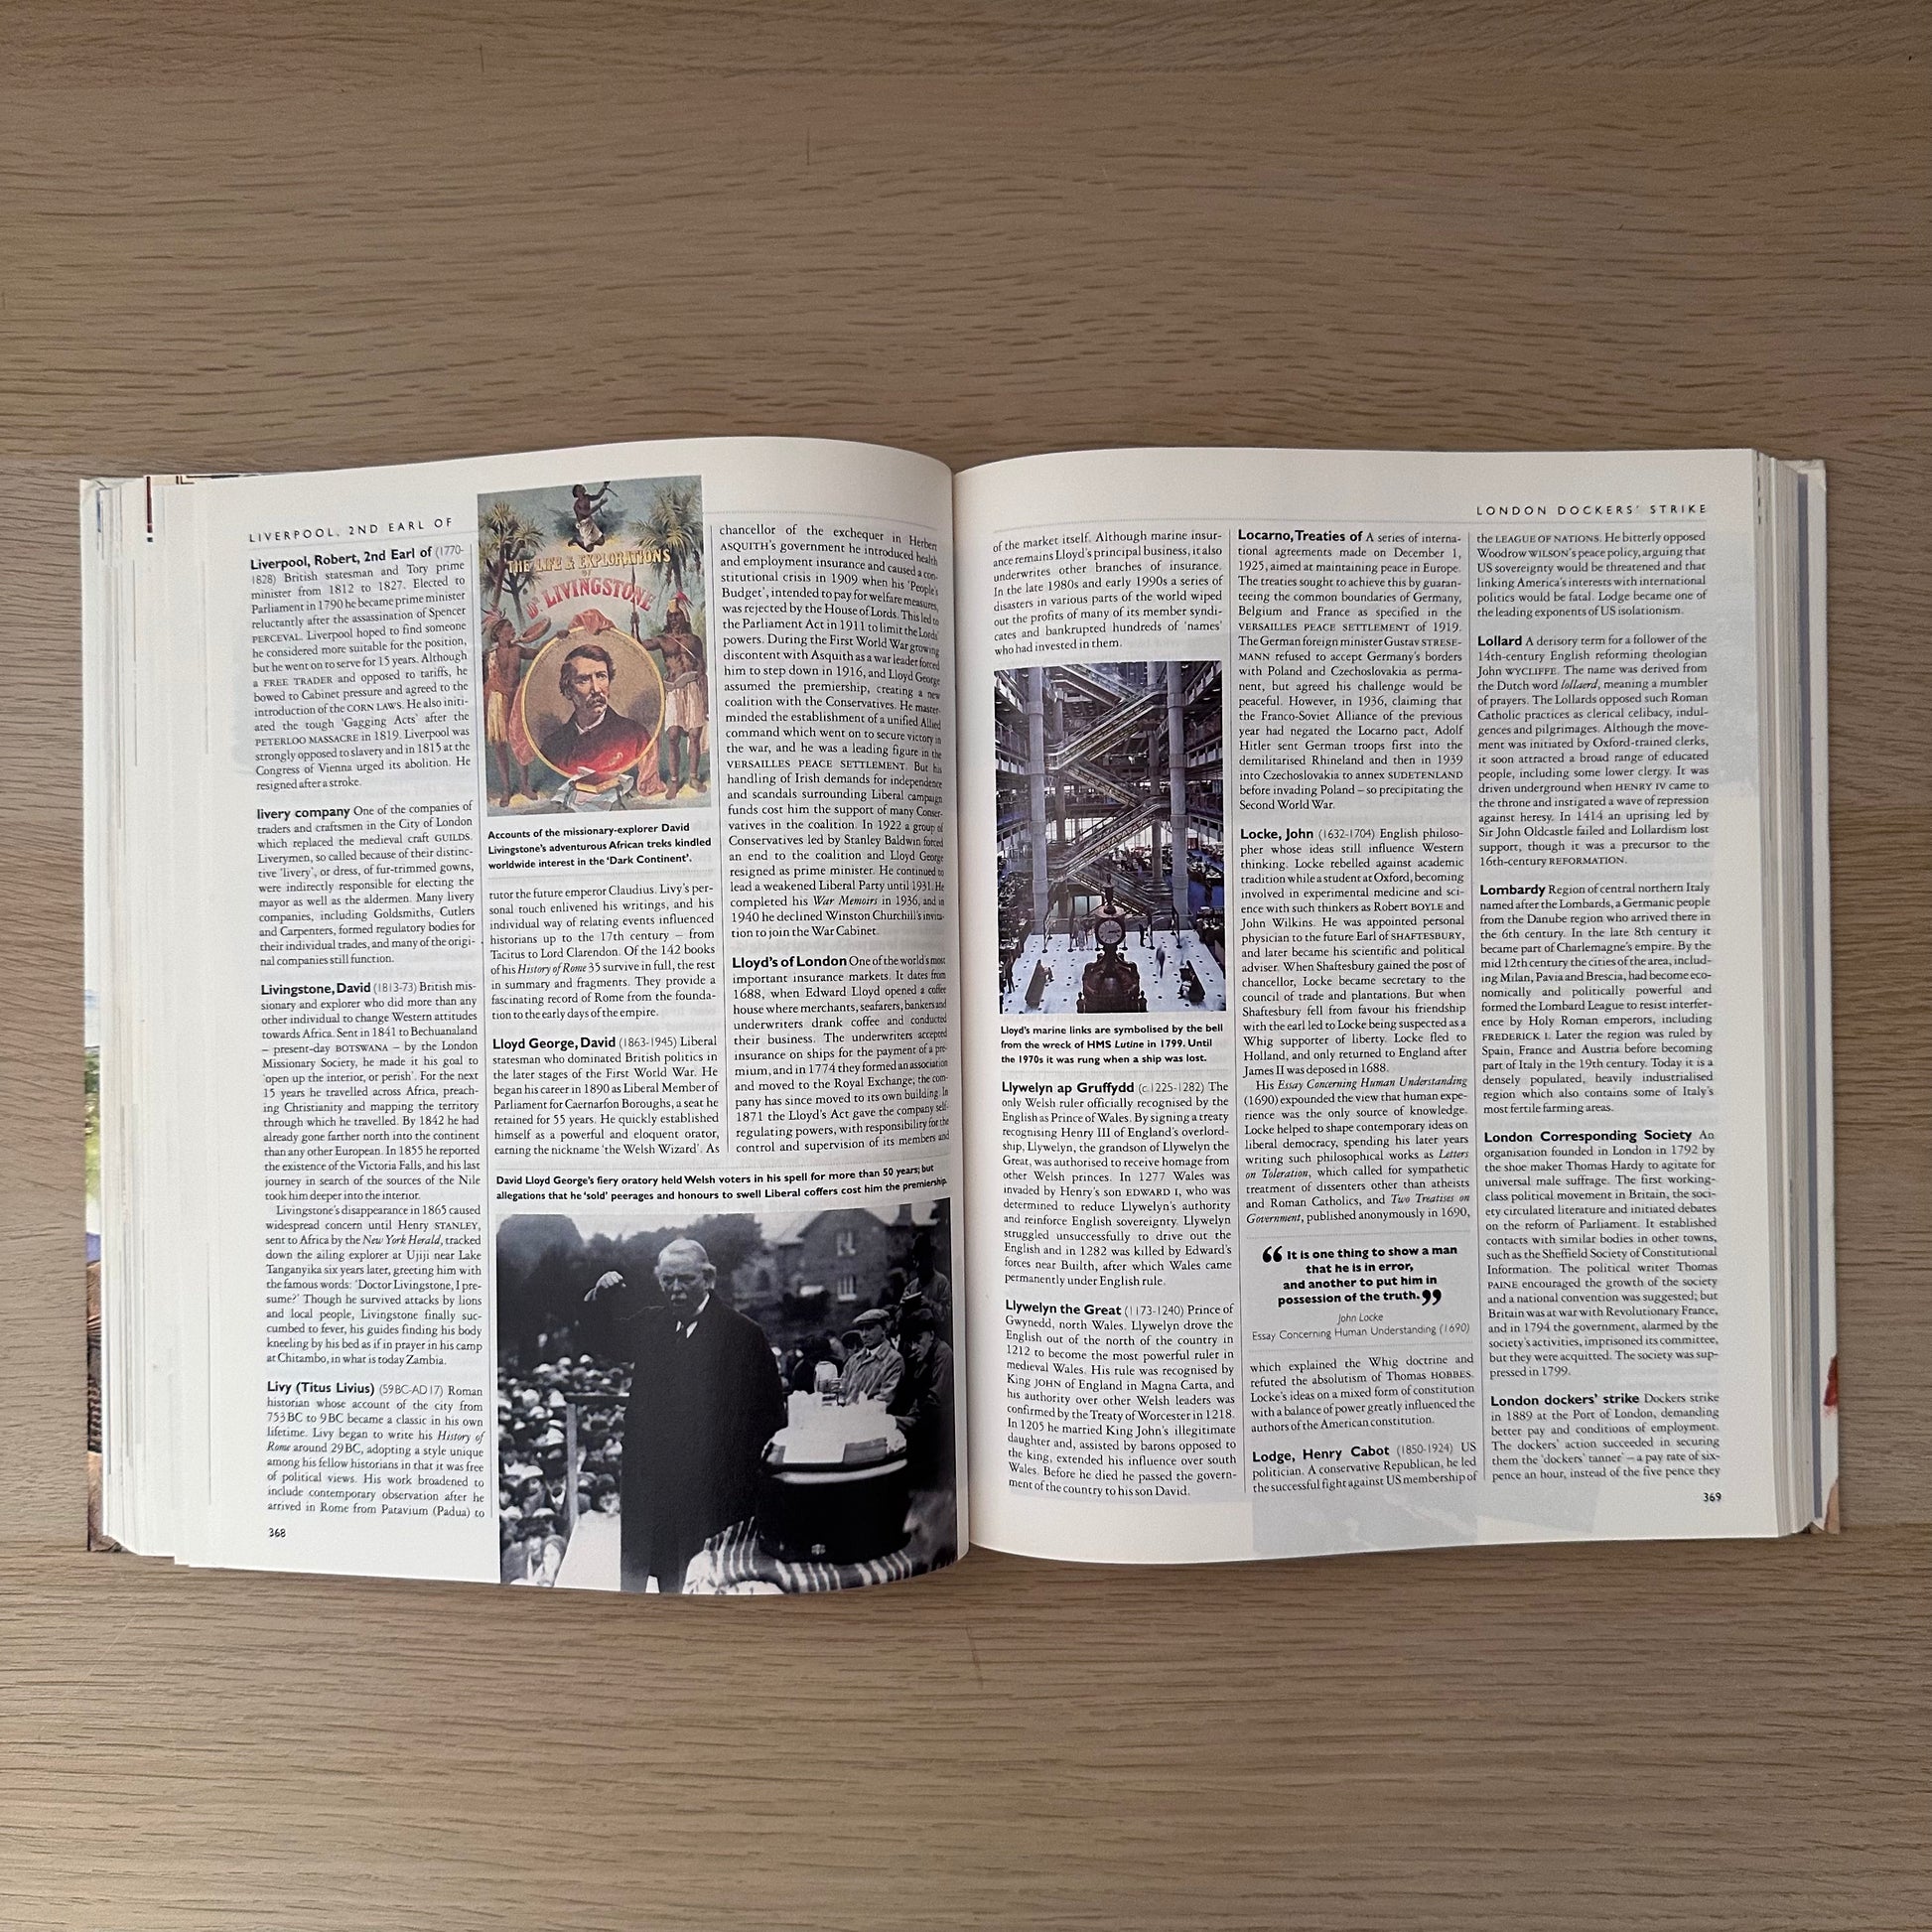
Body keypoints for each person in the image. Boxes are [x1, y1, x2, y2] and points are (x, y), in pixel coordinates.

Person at [587, 1240, 783, 1593]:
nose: (675, 1289)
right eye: (667, 1280)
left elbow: (769, 1420)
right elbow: (607, 1343)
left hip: (712, 1488)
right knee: (662, 1576)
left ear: (708, 1279)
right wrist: (602, 1297)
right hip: (655, 1485)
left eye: (686, 1280)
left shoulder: (743, 1335)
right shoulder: (653, 1323)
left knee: (704, 1582)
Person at [537, 626, 651, 786]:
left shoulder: (636, 736)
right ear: (568, 691)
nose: (596, 689)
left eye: (601, 676)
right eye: (584, 680)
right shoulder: (552, 746)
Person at [480, 609, 550, 803]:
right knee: (500, 746)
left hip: (515, 700)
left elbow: (538, 653)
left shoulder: (518, 650)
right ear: (499, 632)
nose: (513, 629)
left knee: (520, 742)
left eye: (512, 626)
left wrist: (555, 638)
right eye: (509, 627)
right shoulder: (489, 655)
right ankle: (505, 790)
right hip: (496, 703)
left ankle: (525, 786)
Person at [889, 1303, 955, 1487]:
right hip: (925, 1419)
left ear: (931, 1335)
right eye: (911, 1342)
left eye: (918, 1340)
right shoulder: (921, 1358)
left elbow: (936, 1400)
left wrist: (907, 1420)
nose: (914, 1347)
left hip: (939, 1426)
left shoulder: (943, 1353)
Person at [653, 595, 708, 796]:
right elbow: (639, 644)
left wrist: (706, 699)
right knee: (673, 735)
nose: (673, 619)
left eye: (677, 615)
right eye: (670, 616)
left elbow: (701, 669)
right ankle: (674, 781)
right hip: (674, 692)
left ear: (684, 617)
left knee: (694, 735)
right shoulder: (662, 640)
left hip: (693, 689)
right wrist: (635, 625)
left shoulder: (694, 641)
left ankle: (693, 777)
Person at [836, 1307, 903, 1405]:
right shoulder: (853, 1360)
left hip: (872, 1413)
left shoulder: (893, 1360)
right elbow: (842, 1391)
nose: (864, 1334)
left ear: (884, 1329)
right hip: (848, 1412)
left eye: (869, 1328)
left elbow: (885, 1399)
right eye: (861, 1329)